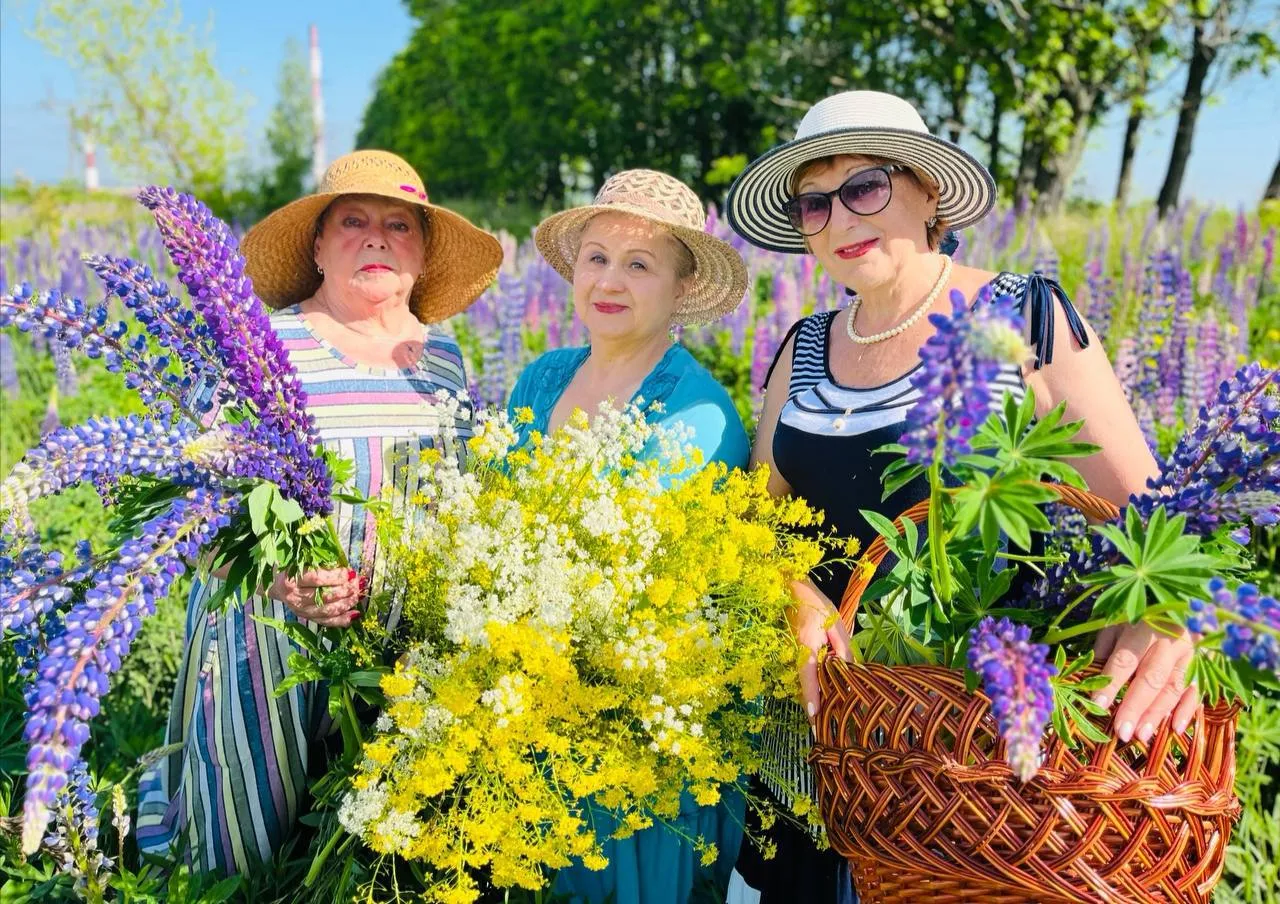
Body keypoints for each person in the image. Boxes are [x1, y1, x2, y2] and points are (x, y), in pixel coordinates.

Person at [721, 90, 1201, 903]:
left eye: (865, 186)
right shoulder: (800, 349)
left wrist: (1168, 621)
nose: (840, 217)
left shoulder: (1019, 313)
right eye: (814, 200)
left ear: (928, 192)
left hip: (990, 763)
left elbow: (1149, 519)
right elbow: (751, 521)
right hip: (831, 746)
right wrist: (792, 591)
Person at [136, 150, 503, 875]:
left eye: (399, 225)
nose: (376, 238)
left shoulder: (446, 360)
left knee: (373, 854)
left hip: (402, 643)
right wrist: (277, 579)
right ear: (317, 246)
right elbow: (191, 514)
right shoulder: (263, 348)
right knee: (255, 851)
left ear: (423, 252)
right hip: (267, 639)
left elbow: (469, 499)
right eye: (353, 222)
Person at [507, 168, 751, 903]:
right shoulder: (541, 377)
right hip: (521, 702)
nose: (610, 280)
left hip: (631, 731)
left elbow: (639, 592)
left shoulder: (697, 416)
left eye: (640, 264)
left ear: (681, 288)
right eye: (597, 257)